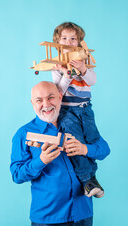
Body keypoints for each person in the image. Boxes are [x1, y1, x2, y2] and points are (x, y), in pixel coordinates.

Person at [10, 81, 110, 226]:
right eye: (39, 100)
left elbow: (104, 149)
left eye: (51, 98)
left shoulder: (78, 123)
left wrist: (85, 149)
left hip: (82, 212)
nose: (46, 104)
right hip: (48, 219)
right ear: (32, 103)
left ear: (60, 96)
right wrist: (41, 161)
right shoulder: (23, 134)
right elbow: (17, 175)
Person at [52, 22, 103, 197]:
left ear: (79, 42)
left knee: (91, 140)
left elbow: (93, 81)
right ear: (58, 43)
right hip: (68, 111)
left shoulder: (83, 61)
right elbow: (59, 92)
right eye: (64, 38)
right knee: (74, 142)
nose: (69, 42)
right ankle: (87, 180)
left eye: (73, 39)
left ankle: (92, 176)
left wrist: (82, 69)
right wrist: (67, 73)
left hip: (85, 109)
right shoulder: (57, 65)